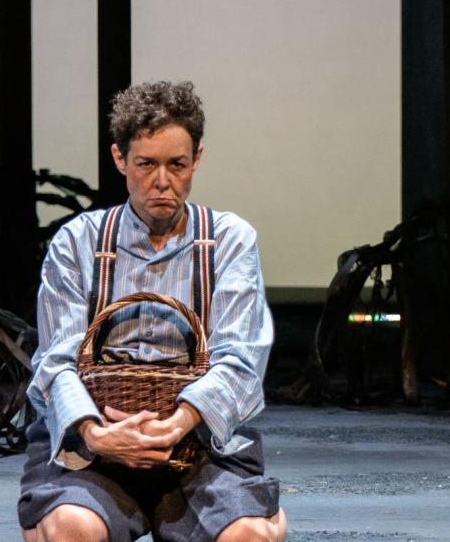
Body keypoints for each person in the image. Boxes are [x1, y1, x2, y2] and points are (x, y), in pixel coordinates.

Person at [18, 81, 287, 541]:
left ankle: (265, 518)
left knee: (250, 534)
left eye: (176, 164)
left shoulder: (228, 239)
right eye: (146, 164)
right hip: (96, 444)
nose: (162, 181)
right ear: (120, 159)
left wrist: (176, 425)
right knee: (69, 528)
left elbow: (240, 359)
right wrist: (97, 434)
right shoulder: (79, 242)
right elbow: (57, 360)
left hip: (199, 446)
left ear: (196, 159)